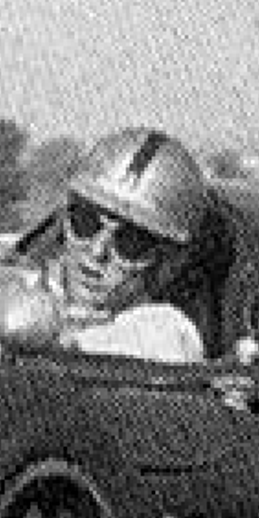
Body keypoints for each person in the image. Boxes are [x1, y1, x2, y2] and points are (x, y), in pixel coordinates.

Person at [23, 126, 212, 364]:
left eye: (130, 242)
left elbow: (152, 345)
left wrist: (34, 336)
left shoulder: (166, 332)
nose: (96, 252)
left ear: (170, 263)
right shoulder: (27, 288)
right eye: (85, 223)